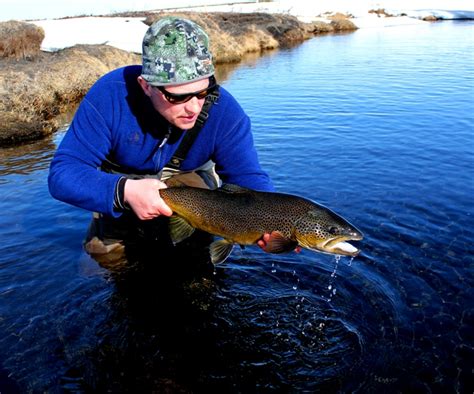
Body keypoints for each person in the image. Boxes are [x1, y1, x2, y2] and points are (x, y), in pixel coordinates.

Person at [48, 16, 277, 265]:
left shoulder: (226, 112)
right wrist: (123, 191)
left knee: (195, 257)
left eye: (203, 93)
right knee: (101, 264)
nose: (194, 107)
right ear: (146, 86)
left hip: (192, 186)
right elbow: (63, 173)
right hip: (124, 186)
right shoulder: (109, 97)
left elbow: (247, 179)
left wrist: (272, 224)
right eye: (178, 97)